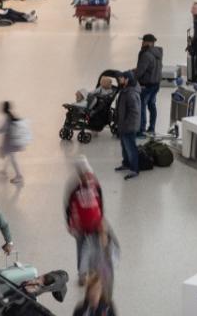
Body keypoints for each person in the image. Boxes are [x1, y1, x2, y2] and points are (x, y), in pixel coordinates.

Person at [65, 157, 105, 285]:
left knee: (83, 247)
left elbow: (68, 207)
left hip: (80, 224)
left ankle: (83, 273)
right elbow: (100, 204)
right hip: (90, 223)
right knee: (88, 248)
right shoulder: (94, 185)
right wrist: (101, 220)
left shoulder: (74, 187)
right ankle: (87, 271)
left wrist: (69, 223)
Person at [131, 33, 162, 138]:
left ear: (149, 43)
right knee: (152, 105)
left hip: (146, 85)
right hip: (156, 84)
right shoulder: (157, 52)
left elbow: (140, 71)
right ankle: (152, 128)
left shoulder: (146, 54)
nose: (142, 43)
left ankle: (141, 131)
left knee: (142, 106)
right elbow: (150, 68)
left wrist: (132, 76)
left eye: (144, 41)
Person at [113, 72, 140, 181]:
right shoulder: (125, 91)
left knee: (131, 148)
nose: (120, 80)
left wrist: (126, 124)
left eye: (121, 78)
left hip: (129, 126)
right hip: (124, 125)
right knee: (124, 146)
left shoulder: (131, 93)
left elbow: (134, 112)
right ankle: (126, 163)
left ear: (127, 79)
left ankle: (134, 169)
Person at [0, 101, 28, 184]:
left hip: (10, 142)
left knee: (12, 158)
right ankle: (4, 170)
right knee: (9, 155)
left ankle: (19, 176)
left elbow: (3, 129)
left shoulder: (7, 118)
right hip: (11, 141)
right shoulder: (10, 115)